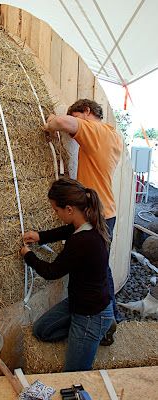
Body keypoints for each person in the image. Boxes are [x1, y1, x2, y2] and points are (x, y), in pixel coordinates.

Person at [44, 99, 123, 344]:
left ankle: (107, 323)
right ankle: (110, 318)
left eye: (78, 116)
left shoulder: (96, 131)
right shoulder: (112, 135)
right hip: (106, 211)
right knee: (100, 270)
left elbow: (59, 122)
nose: (76, 126)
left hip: (98, 214)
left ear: (87, 112)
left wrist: (49, 125)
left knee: (100, 273)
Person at [20, 178, 114, 372]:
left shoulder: (82, 241)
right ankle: (88, 333)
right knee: (41, 331)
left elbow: (51, 272)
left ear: (69, 209)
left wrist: (28, 255)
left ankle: (99, 328)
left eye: (56, 210)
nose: (56, 214)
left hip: (91, 313)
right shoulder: (89, 222)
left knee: (73, 374)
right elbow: (66, 230)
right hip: (78, 302)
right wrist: (40, 236)